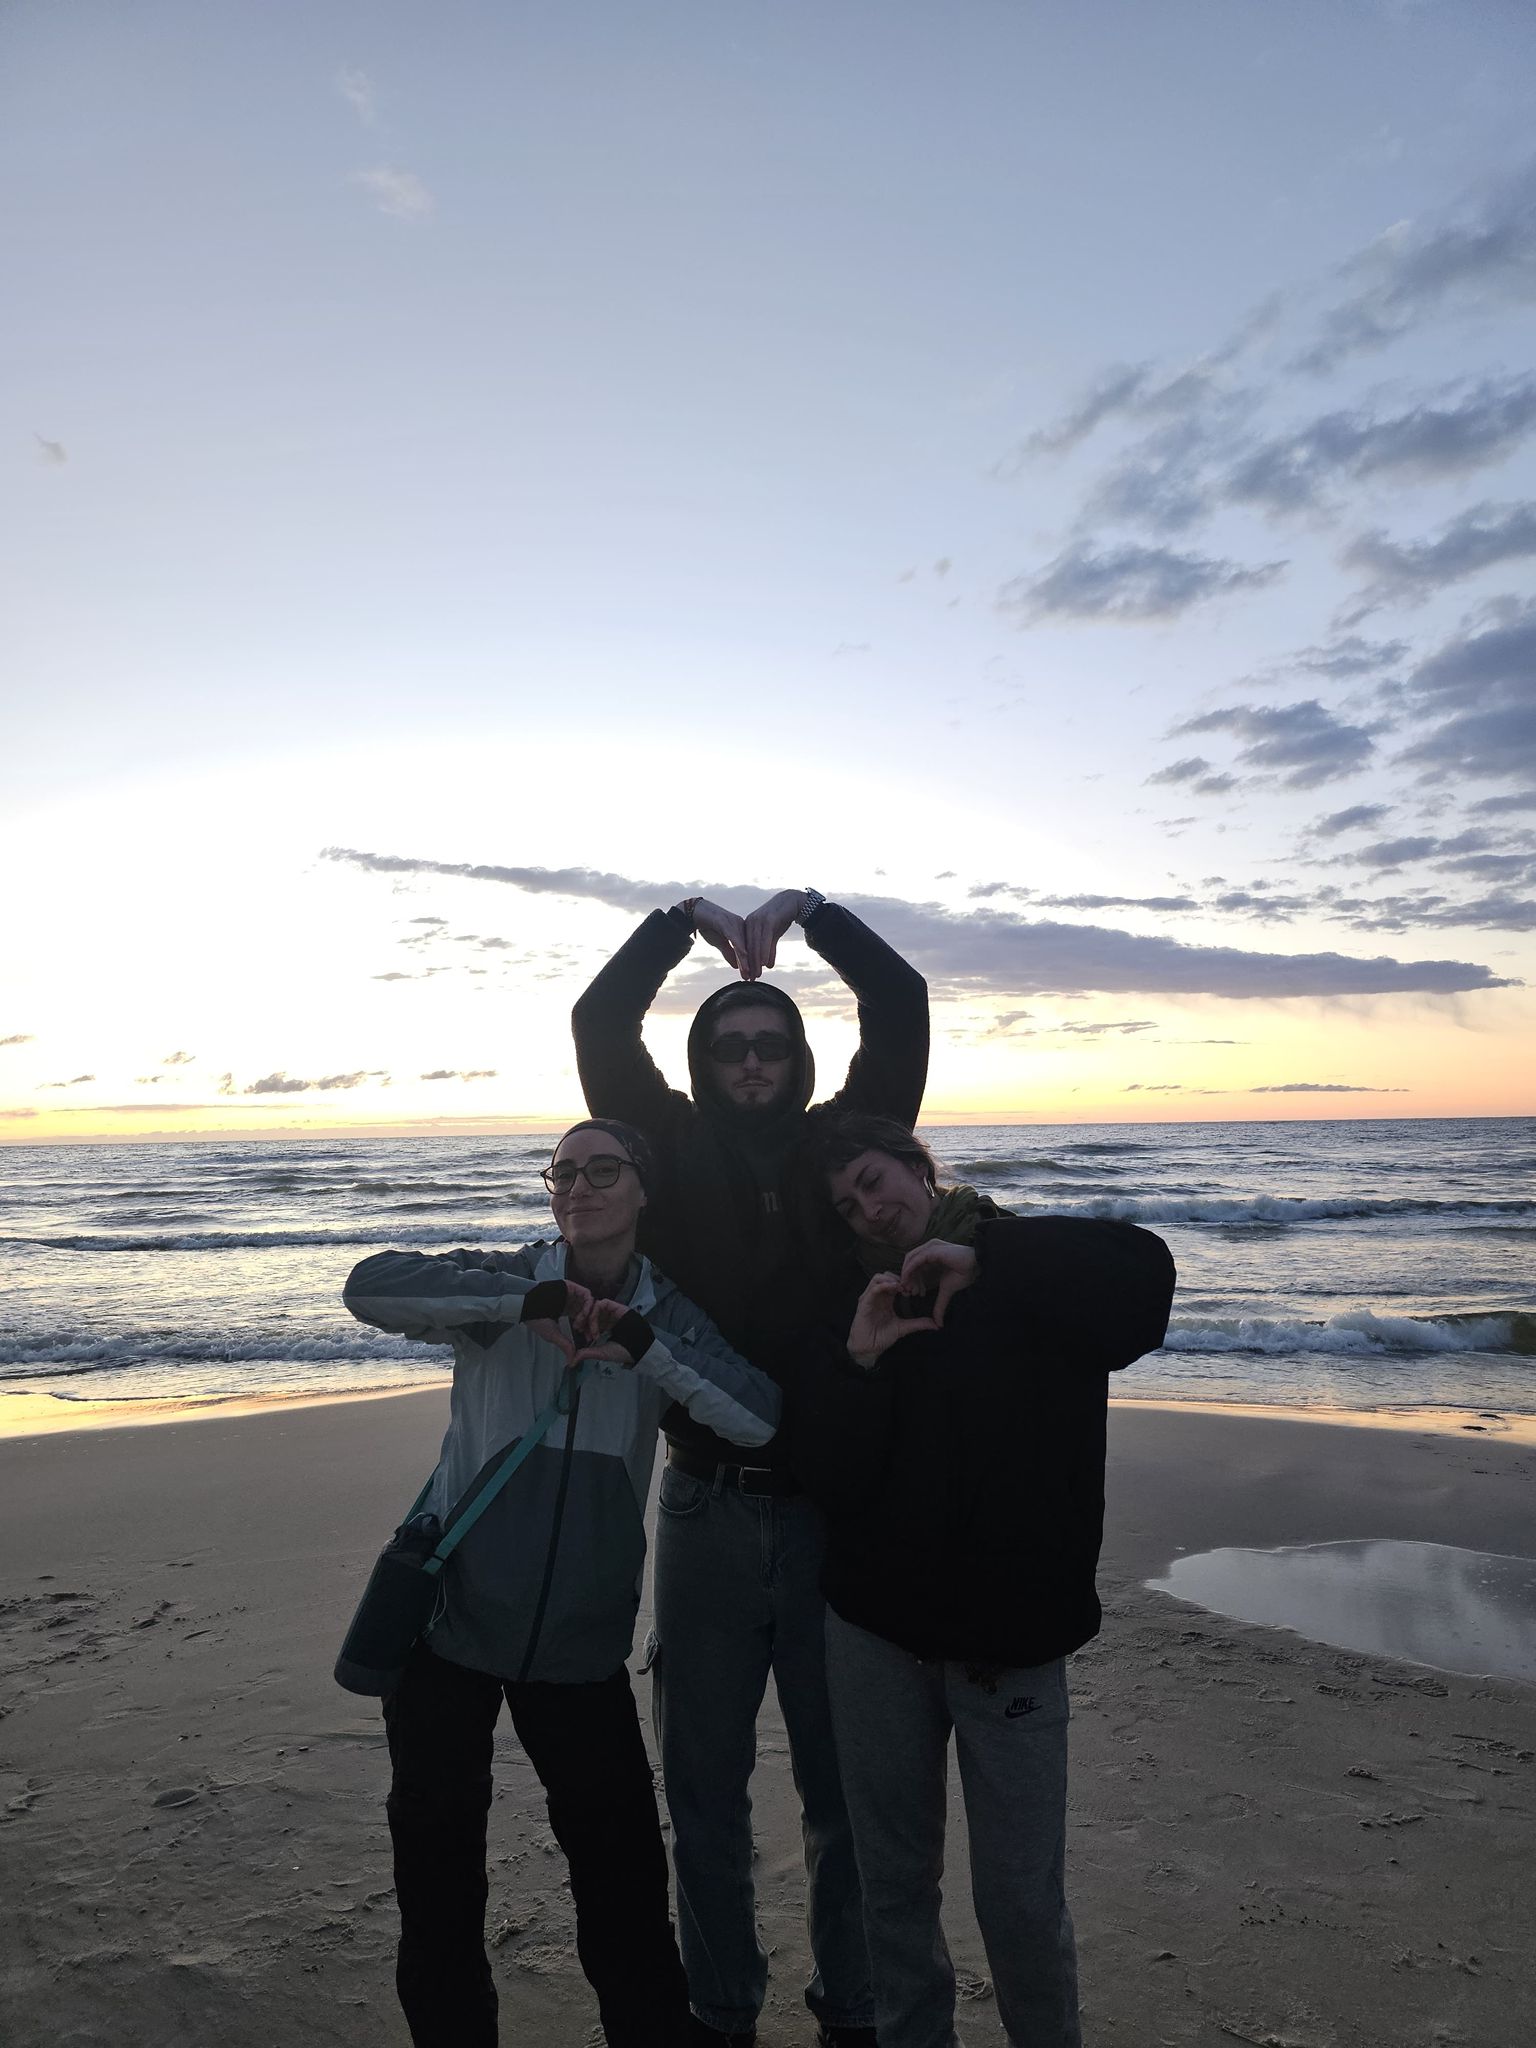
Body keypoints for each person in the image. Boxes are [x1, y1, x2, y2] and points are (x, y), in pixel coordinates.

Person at [572, 888, 929, 2048]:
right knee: (704, 1795)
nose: (752, 1059)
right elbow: (596, 1019)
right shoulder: (664, 1146)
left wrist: (810, 915)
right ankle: (722, 2012)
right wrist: (681, 921)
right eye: (730, 1044)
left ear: (800, 1052)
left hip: (835, 1517)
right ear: (702, 1055)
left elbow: (902, 1001)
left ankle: (853, 2012)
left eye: (771, 1042)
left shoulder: (845, 1144)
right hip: (706, 1511)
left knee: (842, 1799)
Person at [342, 1118, 781, 2048]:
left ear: (642, 1190)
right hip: (448, 1627)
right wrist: (522, 1303)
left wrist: (645, 1346)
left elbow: (757, 1419)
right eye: (564, 1171)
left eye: (604, 1170)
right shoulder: (505, 1279)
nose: (580, 1186)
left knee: (620, 1875)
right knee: (438, 1871)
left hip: (582, 1647)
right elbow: (368, 1286)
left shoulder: (670, 1312)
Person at [785, 1113, 1177, 2048]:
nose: (872, 1211)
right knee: (893, 1886)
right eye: (848, 1206)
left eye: (877, 1181)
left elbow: (1146, 1282)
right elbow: (830, 1481)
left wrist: (988, 1258)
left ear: (921, 1166)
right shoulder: (852, 1301)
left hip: (1011, 1645)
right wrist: (861, 1364)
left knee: (1020, 1903)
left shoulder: (1033, 1269)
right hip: (875, 1634)